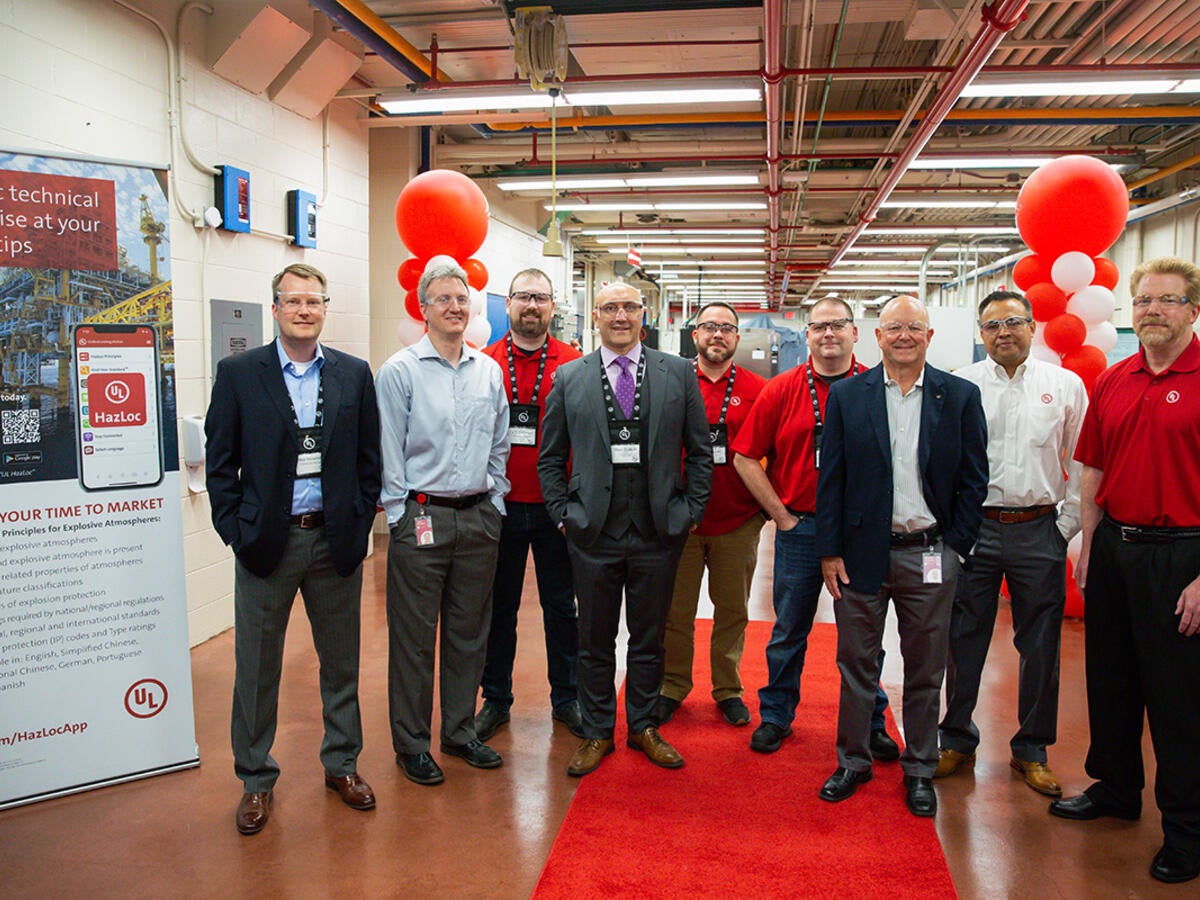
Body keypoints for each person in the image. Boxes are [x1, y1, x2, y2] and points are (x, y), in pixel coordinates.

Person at [205, 263, 381, 835]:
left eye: (314, 301)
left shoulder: (354, 375)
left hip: (334, 543)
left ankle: (342, 765)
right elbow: (220, 463)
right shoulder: (238, 373)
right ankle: (255, 780)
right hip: (266, 546)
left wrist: (356, 520)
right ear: (275, 308)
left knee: (341, 664)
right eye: (293, 301)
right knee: (256, 669)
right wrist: (236, 529)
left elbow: (368, 460)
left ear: (325, 308)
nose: (304, 310)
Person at [1050, 256, 1200, 885]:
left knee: (1178, 700)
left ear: (1193, 309)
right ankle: (1115, 787)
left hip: (1184, 555)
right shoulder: (1116, 379)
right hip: (1114, 545)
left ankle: (1188, 831)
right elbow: (1092, 468)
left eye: (1167, 300)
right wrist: (1087, 539)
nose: (1152, 311)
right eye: (1142, 301)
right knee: (1111, 681)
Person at [815, 294, 987, 817]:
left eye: (915, 327)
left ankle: (919, 768)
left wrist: (955, 546)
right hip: (862, 555)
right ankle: (854, 761)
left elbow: (974, 479)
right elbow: (833, 480)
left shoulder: (958, 395)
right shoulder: (848, 396)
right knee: (855, 664)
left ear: (930, 336)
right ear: (878, 337)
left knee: (925, 667)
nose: (905, 336)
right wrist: (829, 552)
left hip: (931, 553)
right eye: (894, 328)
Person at [538, 282, 712, 777]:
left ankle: (642, 725)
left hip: (659, 531)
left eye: (630, 307)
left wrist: (690, 512)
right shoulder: (569, 377)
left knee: (649, 637)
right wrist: (561, 513)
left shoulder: (677, 372)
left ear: (644, 314)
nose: (621, 315)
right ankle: (596, 731)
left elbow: (700, 451)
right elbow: (550, 457)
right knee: (592, 640)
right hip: (591, 532)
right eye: (611, 307)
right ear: (595, 315)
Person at [731, 297, 899, 759]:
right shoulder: (782, 390)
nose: (829, 334)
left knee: (863, 635)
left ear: (856, 333)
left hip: (861, 533)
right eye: (820, 327)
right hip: (801, 529)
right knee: (789, 629)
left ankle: (872, 719)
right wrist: (781, 516)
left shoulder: (878, 388)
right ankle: (777, 715)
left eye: (838, 326)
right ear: (806, 335)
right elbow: (744, 457)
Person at [936, 290, 1087, 797]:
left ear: (1032, 327)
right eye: (993, 325)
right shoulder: (961, 384)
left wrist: (1064, 527)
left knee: (1040, 645)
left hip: (1039, 529)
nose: (1004, 332)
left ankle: (1032, 749)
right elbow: (944, 462)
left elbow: (1083, 459)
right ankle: (956, 738)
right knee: (963, 638)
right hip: (974, 530)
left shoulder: (1064, 385)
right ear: (981, 334)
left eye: (1015, 322)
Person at [376, 261, 510, 787]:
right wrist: (398, 514)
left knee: (468, 632)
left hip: (478, 518)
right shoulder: (400, 371)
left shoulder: (488, 371)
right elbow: (388, 448)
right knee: (413, 638)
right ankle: (411, 744)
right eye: (443, 299)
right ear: (423, 308)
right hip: (422, 516)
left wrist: (495, 501)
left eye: (462, 299)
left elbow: (498, 442)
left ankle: (458, 731)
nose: (455, 307)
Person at [475, 269, 584, 742]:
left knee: (562, 608)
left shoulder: (576, 363)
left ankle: (567, 698)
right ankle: (495, 699)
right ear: (509, 305)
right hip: (498, 505)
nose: (531, 306)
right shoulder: (482, 362)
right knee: (499, 609)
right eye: (522, 297)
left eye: (540, 297)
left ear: (553, 307)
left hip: (555, 508)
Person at [656, 302, 767, 728]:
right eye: (709, 327)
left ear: (736, 338)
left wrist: (761, 511)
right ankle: (673, 685)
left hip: (737, 520)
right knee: (676, 611)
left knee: (733, 610)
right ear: (695, 335)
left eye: (726, 328)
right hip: (681, 521)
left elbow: (770, 451)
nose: (717, 334)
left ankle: (727, 689)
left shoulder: (759, 389)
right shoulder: (672, 382)